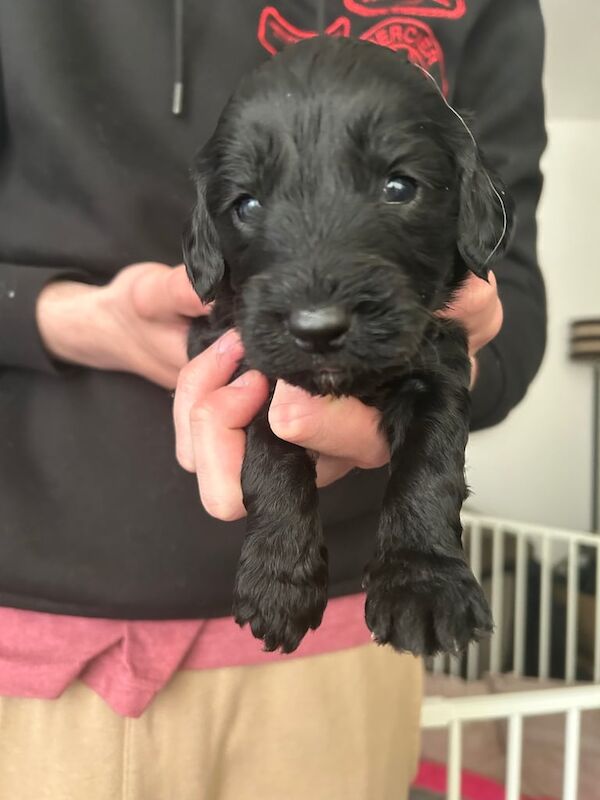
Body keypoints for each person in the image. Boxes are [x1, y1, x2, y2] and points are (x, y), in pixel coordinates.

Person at [0, 1, 546, 798]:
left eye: (398, 184)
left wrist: (451, 355)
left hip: (347, 633)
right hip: (36, 637)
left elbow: (509, 294)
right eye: (247, 208)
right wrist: (63, 317)